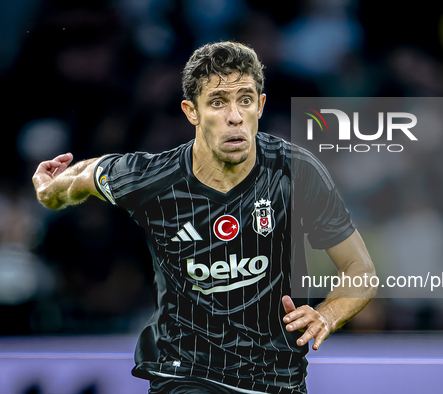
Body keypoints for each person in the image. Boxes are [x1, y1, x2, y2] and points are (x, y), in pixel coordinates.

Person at [32, 41, 376, 394]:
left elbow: (360, 269)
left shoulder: (295, 171)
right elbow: (87, 175)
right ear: (191, 111)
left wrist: (327, 314)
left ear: (260, 105)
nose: (234, 116)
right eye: (217, 102)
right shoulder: (153, 179)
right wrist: (50, 191)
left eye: (245, 100)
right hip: (185, 374)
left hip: (278, 380)